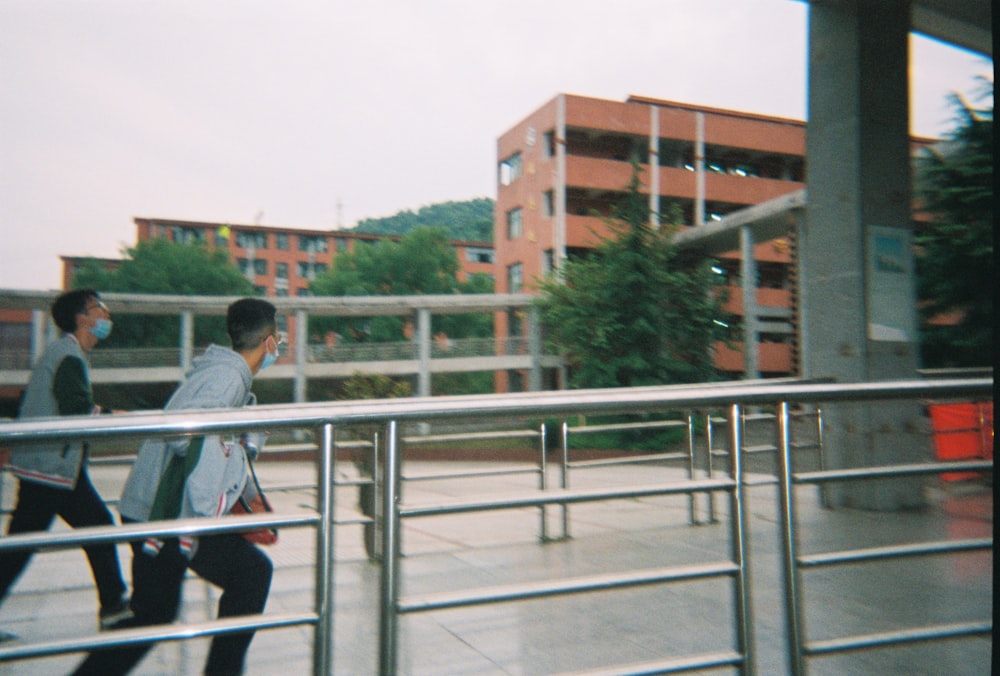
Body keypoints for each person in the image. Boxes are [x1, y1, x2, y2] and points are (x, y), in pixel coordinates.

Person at [74, 297, 279, 676]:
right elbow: (188, 435)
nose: (278, 348)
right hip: (166, 513)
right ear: (269, 342)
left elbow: (208, 444)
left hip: (159, 508)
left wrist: (241, 467)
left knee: (159, 613)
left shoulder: (222, 373)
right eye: (278, 339)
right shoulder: (227, 379)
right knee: (246, 577)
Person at [0, 289, 131, 641]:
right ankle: (114, 607)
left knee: (26, 543)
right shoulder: (69, 355)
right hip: (50, 468)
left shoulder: (65, 353)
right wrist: (114, 417)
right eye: (98, 308)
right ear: (82, 318)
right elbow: (77, 409)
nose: (106, 314)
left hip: (51, 466)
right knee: (89, 529)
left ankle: (114, 605)